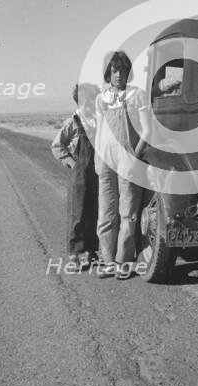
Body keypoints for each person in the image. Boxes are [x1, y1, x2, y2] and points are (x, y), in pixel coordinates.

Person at [95, 51, 150, 279]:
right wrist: (99, 159)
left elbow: (148, 130)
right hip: (106, 160)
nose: (119, 75)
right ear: (108, 73)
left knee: (128, 213)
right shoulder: (102, 99)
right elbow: (99, 131)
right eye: (115, 70)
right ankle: (108, 261)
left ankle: (123, 262)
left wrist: (135, 156)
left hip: (128, 160)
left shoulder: (137, 95)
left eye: (123, 70)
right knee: (106, 213)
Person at [51, 83, 100, 270]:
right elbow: (57, 146)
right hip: (78, 174)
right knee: (77, 214)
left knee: (93, 211)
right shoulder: (72, 122)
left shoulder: (97, 121)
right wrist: (72, 163)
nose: (88, 104)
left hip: (96, 173)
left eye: (91, 100)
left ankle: (91, 250)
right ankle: (75, 253)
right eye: (85, 100)